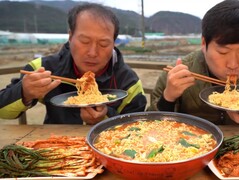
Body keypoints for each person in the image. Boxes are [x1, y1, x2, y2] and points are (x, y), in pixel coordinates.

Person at [0, 3, 147, 124]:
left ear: (113, 43)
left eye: (103, 44)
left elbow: (136, 127)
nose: (92, 52)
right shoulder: (43, 69)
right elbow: (3, 111)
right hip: (55, 147)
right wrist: (24, 93)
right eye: (84, 41)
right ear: (70, 37)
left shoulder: (129, 82)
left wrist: (106, 116)